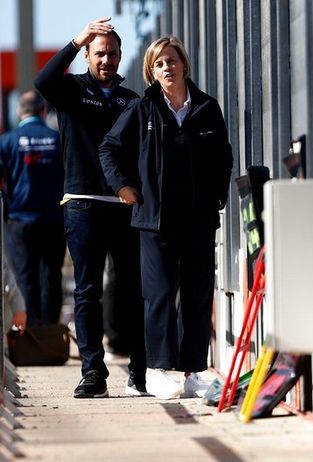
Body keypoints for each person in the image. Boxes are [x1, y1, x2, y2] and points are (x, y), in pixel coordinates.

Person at [99, 36, 233, 399]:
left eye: (171, 61)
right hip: (154, 221)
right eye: (159, 64)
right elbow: (109, 148)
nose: (166, 68)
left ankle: (194, 372)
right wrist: (122, 188)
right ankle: (157, 370)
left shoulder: (207, 108)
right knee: (158, 295)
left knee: (196, 295)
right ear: (151, 72)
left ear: (184, 65)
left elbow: (224, 156)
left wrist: (216, 196)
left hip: (197, 220)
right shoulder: (143, 109)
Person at [35, 17, 147, 399]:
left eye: (113, 54)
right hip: (81, 204)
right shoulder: (69, 89)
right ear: (87, 55)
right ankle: (92, 372)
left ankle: (139, 369)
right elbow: (43, 80)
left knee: (132, 288)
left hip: (123, 203)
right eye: (99, 53)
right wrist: (77, 37)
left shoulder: (132, 100)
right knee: (86, 291)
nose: (107, 60)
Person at [0, 91, 64, 329]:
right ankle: (50, 331)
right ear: (43, 111)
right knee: (51, 275)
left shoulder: (7, 140)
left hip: (19, 220)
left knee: (24, 275)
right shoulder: (57, 139)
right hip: (54, 219)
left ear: (19, 111)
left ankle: (30, 332)